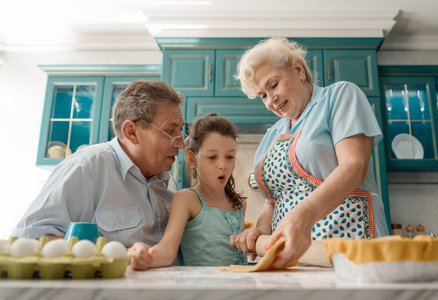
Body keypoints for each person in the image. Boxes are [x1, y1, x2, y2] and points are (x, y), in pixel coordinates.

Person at [230, 37, 389, 269]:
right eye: (262, 95)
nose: (270, 100)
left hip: (351, 244)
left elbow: (354, 166)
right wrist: (261, 231)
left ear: (298, 70)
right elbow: (272, 201)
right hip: (295, 257)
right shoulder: (271, 136)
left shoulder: (339, 96)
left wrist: (302, 216)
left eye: (273, 85)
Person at [12, 80, 186, 264]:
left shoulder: (168, 182)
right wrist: (117, 254)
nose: (181, 143)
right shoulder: (87, 167)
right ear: (131, 132)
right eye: (170, 131)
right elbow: (29, 239)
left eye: (180, 131)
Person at [128, 113, 247, 270]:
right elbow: (167, 249)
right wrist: (146, 256)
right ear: (192, 159)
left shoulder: (239, 204)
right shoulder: (186, 199)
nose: (223, 165)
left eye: (230, 156)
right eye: (212, 157)